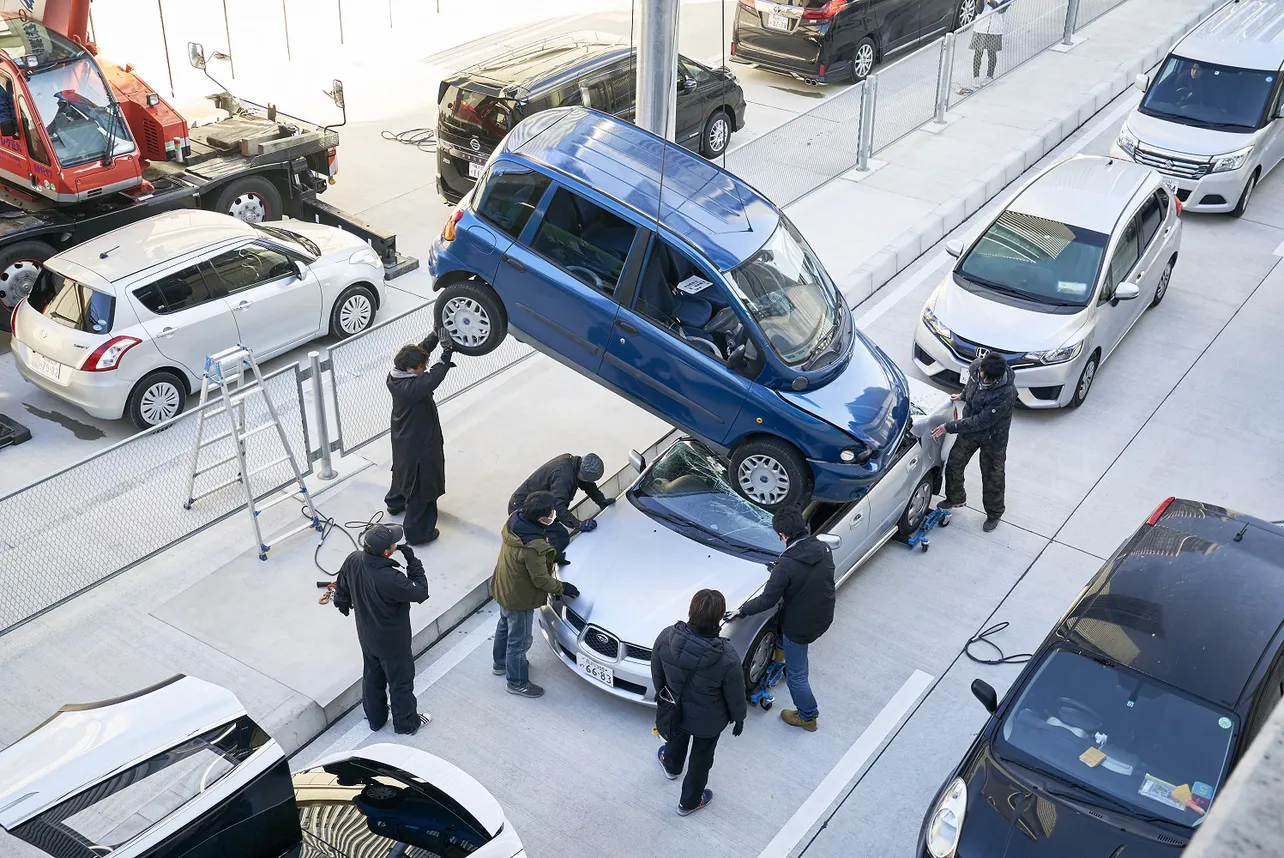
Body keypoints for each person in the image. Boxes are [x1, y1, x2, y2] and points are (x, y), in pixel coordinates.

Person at [727, 506, 835, 733]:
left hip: (799, 627)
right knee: (784, 638)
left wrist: (742, 610)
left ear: (783, 536)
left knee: (798, 675)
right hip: (822, 615)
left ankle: (807, 716)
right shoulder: (822, 548)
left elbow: (767, 600)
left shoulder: (786, 564)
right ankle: (782, 658)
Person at [651, 589, 746, 817]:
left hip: (675, 708)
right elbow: (735, 694)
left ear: (690, 610)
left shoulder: (666, 637)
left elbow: (657, 671)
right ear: (719, 617)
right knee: (702, 759)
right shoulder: (728, 658)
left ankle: (671, 767)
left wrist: (664, 695)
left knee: (676, 736)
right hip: (708, 721)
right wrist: (739, 718)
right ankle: (689, 802)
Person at [332, 523, 432, 735]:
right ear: (387, 552)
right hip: (393, 643)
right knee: (400, 684)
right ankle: (406, 724)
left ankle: (375, 719)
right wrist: (413, 563)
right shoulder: (390, 578)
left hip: (367, 636)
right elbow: (421, 592)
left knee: (372, 678)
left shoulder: (353, 559)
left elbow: (342, 585)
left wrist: (342, 604)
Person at [490, 491, 580, 698]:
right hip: (519, 598)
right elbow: (541, 580)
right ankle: (517, 682)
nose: (554, 514)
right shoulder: (533, 547)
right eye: (552, 512)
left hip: (503, 585)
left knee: (504, 625)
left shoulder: (515, 521)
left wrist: (551, 557)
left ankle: (500, 663)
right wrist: (563, 588)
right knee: (519, 641)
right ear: (543, 519)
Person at [931, 350, 1017, 532]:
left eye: (990, 380)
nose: (985, 381)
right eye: (983, 377)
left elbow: (981, 422)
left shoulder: (1006, 394)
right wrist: (962, 396)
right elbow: (971, 385)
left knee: (992, 475)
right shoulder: (976, 368)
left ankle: (994, 513)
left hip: (993, 437)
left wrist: (949, 426)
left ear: (999, 376)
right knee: (954, 462)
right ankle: (956, 498)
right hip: (969, 429)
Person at [385, 331, 455, 545]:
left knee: (402, 471)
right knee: (422, 484)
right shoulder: (412, 388)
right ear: (410, 370)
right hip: (420, 442)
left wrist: (435, 335)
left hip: (403, 437)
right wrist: (447, 352)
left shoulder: (396, 375)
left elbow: (419, 352)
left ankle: (395, 502)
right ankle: (418, 532)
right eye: (421, 367)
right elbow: (434, 377)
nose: (424, 369)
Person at [507, 453, 612, 566]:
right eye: (587, 479)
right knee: (559, 535)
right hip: (523, 509)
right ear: (582, 474)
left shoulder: (575, 466)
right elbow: (558, 505)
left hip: (540, 504)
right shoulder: (564, 477)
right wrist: (579, 524)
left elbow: (588, 486)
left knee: (553, 532)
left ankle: (549, 557)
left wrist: (602, 501)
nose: (587, 482)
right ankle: (546, 564)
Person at [960, 0, 1010, 94]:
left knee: (992, 54)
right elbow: (978, 10)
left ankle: (989, 76)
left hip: (995, 29)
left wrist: (990, 1)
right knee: (978, 53)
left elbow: (1001, 9)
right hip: (981, 27)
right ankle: (976, 77)